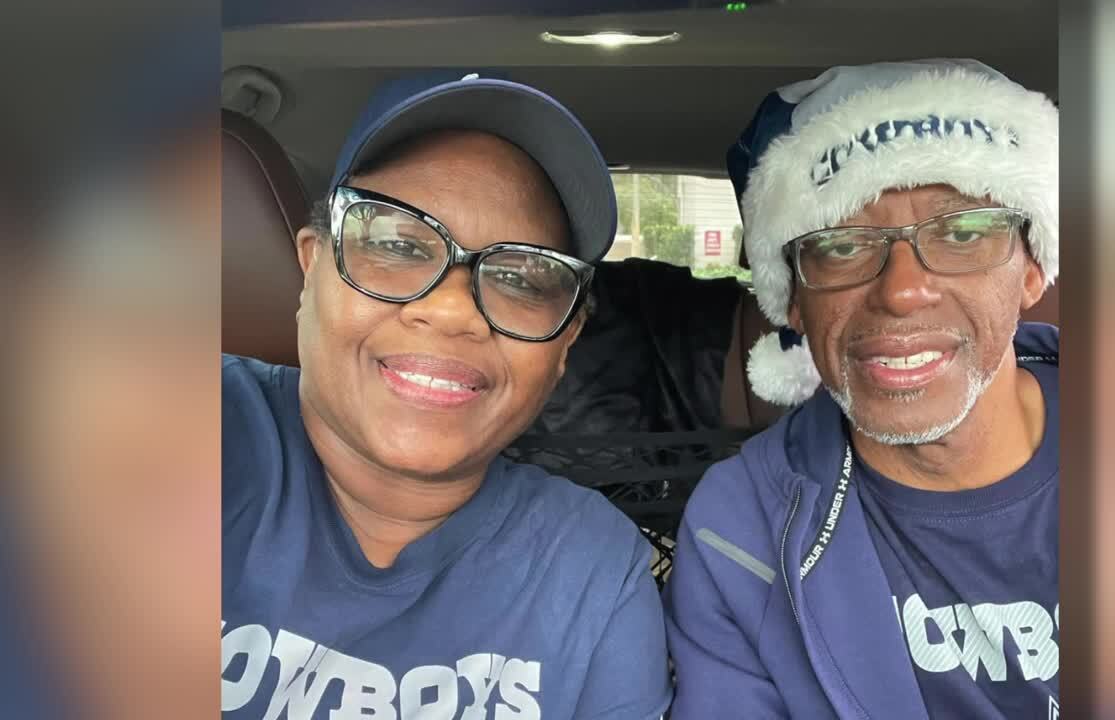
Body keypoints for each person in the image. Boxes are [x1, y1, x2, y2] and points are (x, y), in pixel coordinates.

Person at [222, 73, 672, 719]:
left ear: (565, 340)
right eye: (398, 245)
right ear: (311, 264)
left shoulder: (585, 565)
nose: (454, 309)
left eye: (522, 276)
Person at [664, 59, 1060, 718]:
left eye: (963, 232)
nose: (903, 291)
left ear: (1032, 270)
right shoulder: (739, 531)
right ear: (792, 300)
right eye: (841, 245)